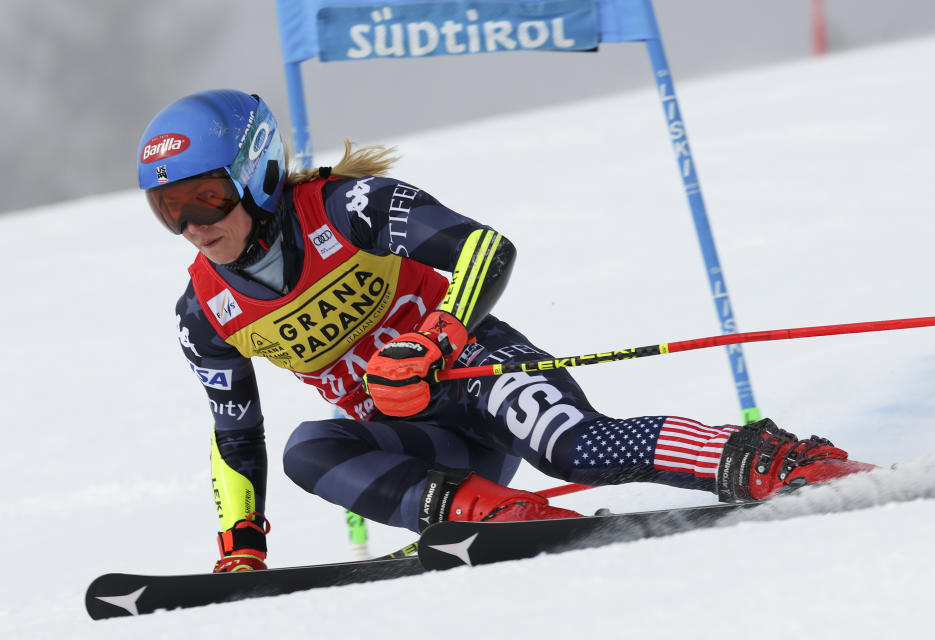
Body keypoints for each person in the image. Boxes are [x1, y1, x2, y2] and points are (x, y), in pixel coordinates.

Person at [138, 90, 875, 573]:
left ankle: (767, 458)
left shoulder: (347, 204)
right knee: (310, 447)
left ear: (258, 173)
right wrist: (243, 543)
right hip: (430, 447)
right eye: (169, 209)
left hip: (478, 371)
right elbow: (235, 430)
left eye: (207, 196)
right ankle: (495, 517)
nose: (194, 226)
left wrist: (439, 336)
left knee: (576, 447)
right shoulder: (204, 311)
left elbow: (485, 247)